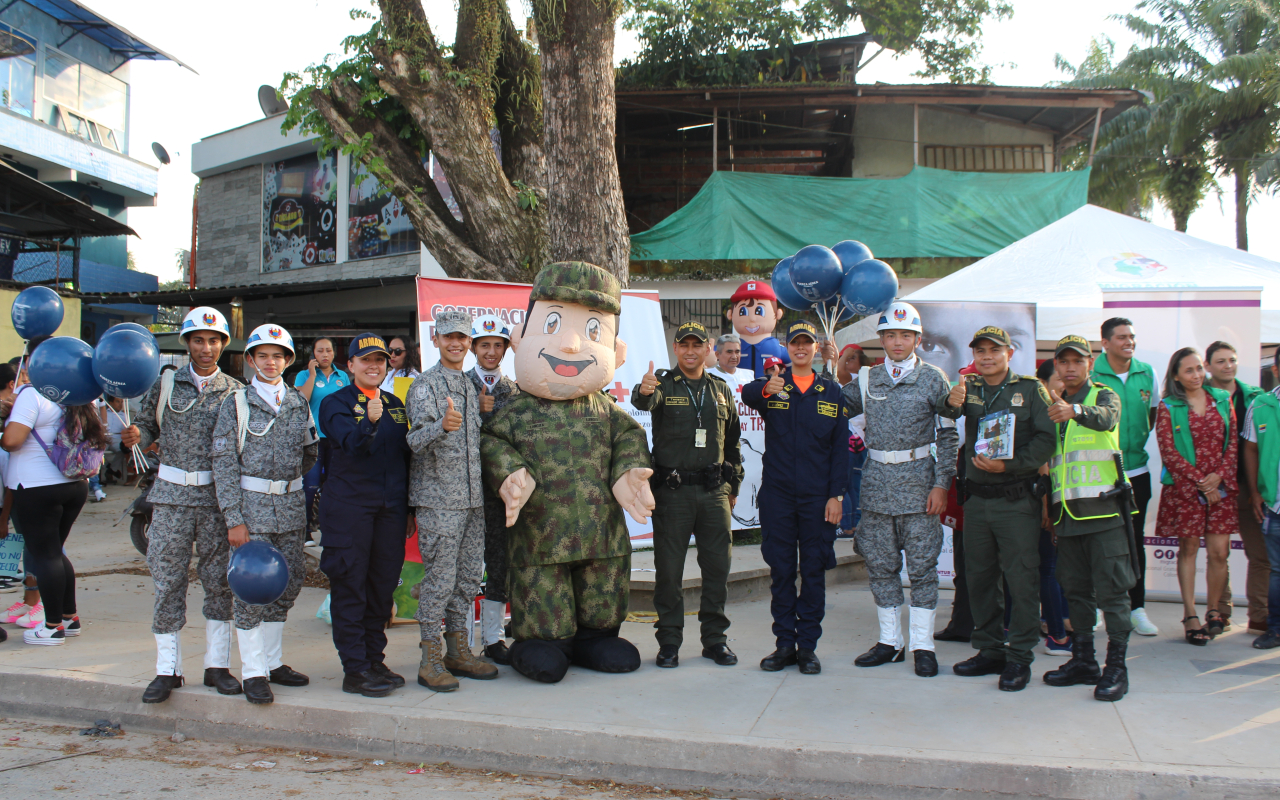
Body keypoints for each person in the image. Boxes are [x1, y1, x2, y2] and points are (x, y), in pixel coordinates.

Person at [480, 261, 654, 685]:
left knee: (603, 586)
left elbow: (630, 438)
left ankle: (596, 636)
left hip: (601, 532)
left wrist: (629, 470)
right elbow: (492, 441)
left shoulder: (607, 411)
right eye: (553, 324)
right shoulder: (515, 411)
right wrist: (508, 473)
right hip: (541, 532)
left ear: (618, 352)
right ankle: (543, 641)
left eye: (594, 331)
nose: (573, 344)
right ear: (520, 340)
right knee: (543, 591)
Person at [121, 307, 243, 703]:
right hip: (171, 498)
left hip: (214, 501)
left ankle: (217, 666)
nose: (206, 348)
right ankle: (167, 670)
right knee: (167, 580)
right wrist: (135, 437)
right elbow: (146, 431)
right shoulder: (167, 384)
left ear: (223, 345)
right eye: (198, 340)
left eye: (213, 341)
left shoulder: (236, 391)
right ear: (187, 344)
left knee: (219, 583)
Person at [842, 303, 958, 678]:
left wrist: (942, 483)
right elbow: (828, 408)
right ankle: (891, 642)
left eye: (905, 335)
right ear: (881, 340)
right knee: (880, 566)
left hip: (920, 487)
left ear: (917, 340)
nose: (897, 342)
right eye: (890, 335)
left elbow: (949, 434)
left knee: (923, 571)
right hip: (876, 487)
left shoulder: (934, 379)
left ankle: (923, 646)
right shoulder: (866, 380)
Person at [939, 326, 1055, 692]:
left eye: (994, 350)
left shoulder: (1030, 389)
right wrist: (951, 401)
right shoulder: (969, 388)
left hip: (1015, 499)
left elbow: (1047, 438)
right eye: (981, 351)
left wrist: (1011, 465)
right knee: (980, 578)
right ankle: (989, 649)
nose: (987, 357)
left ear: (1009, 353)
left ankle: (1020, 657)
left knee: (1021, 579)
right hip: (977, 501)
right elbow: (946, 411)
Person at [210, 324, 318, 704]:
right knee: (252, 589)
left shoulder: (297, 403)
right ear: (251, 361)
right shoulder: (235, 404)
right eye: (263, 356)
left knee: (287, 586)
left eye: (278, 356)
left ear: (288, 361)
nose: (270, 362)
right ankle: (253, 671)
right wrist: (233, 519)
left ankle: (273, 663)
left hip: (289, 509)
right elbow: (223, 464)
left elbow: (310, 453)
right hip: (250, 511)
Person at [633, 321, 743, 669]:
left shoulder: (721, 390)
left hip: (713, 494)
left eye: (698, 345)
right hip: (673, 494)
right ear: (676, 349)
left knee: (717, 570)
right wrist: (644, 389)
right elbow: (644, 401)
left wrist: (733, 486)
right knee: (669, 572)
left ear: (708, 348)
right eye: (685, 345)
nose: (691, 351)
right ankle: (669, 642)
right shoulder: (664, 385)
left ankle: (715, 640)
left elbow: (733, 443)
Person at [743, 321, 849, 675]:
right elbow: (748, 394)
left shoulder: (831, 392)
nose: (801, 348)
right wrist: (768, 388)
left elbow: (840, 451)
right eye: (795, 343)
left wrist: (837, 496)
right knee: (782, 571)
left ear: (816, 349)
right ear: (787, 347)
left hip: (818, 498)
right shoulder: (774, 385)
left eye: (807, 343)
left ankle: (808, 647)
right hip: (779, 496)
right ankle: (784, 644)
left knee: (814, 571)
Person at [1040, 335, 1135, 701]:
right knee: (1076, 591)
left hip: (1105, 512)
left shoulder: (1103, 395)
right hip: (1068, 516)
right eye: (1063, 362)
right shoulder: (1051, 404)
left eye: (1077, 361)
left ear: (1090, 364)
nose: (1070, 367)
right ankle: (1084, 660)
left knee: (1113, 592)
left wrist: (1074, 412)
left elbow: (1107, 419)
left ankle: (1116, 667)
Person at [405, 310, 496, 692]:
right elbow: (413, 441)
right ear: (437, 341)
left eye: (462, 337)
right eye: (448, 338)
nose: (455, 344)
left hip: (473, 502)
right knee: (439, 582)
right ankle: (430, 659)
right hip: (440, 501)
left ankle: (459, 651)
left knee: (467, 579)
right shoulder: (424, 386)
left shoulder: (472, 386)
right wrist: (441, 428)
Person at [318, 333, 412, 697]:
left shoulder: (394, 403)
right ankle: (355, 668)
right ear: (351, 365)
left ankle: (374, 659)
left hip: (389, 509)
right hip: (349, 510)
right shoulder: (335, 403)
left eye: (380, 360)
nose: (374, 366)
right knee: (351, 585)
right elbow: (351, 444)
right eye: (366, 360)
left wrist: (408, 509)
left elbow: (404, 459)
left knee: (381, 586)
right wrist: (368, 422)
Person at [0, 337, 104, 646]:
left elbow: (12, 442)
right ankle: (70, 619)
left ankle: (52, 626)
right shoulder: (83, 394)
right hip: (75, 485)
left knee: (44, 556)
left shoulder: (33, 394)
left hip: (36, 487)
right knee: (55, 553)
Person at [1155, 347, 1237, 646]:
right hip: (1186, 489)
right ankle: (1190, 614)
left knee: (1218, 552)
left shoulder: (1223, 400)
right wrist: (1202, 482)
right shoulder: (1168, 406)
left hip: (1221, 488)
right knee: (1188, 549)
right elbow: (1169, 452)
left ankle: (1214, 611)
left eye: (1199, 369)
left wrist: (1219, 477)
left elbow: (1232, 446)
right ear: (1176, 375)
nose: (1197, 375)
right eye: (1188, 370)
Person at [1090, 318, 1160, 637]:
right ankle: (1095, 606)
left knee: (1134, 544)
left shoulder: (1148, 373)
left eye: (1131, 336)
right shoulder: (1092, 375)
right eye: (1121, 337)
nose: (1128, 341)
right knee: (1097, 542)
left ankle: (1136, 608)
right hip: (1099, 474)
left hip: (1137, 473)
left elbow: (1152, 415)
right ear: (1105, 343)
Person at [465, 314, 521, 665]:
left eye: (497, 345)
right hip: (464, 491)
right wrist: (477, 411)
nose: (491, 351)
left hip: (501, 493)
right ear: (472, 348)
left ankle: (493, 639)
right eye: (484, 345)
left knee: (499, 565)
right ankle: (457, 638)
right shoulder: (458, 385)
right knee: (466, 567)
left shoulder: (514, 390)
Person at [1206, 340, 1267, 634]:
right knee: (1218, 554)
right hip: (1214, 490)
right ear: (1208, 366)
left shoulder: (1255, 398)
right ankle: (1220, 612)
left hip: (1248, 489)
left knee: (1260, 555)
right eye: (1220, 361)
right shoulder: (1198, 396)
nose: (1227, 365)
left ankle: (1259, 615)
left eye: (1231, 360)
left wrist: (1255, 488)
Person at [1242, 350, 1280, 650]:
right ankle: (1276, 629)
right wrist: (1255, 492)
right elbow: (1251, 449)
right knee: (1276, 570)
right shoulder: (1261, 405)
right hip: (1275, 504)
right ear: (1276, 370)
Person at [294, 337, 348, 545]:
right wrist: (312, 374)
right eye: (320, 351)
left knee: (334, 486)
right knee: (311, 486)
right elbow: (302, 400)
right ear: (313, 354)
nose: (324, 355)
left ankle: (330, 529)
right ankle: (307, 529)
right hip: (313, 439)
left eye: (328, 350)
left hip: (336, 439)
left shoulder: (342, 376)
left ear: (334, 353)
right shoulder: (303, 375)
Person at [1034, 358, 1071, 657]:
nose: (1067, 380)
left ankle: (1057, 624)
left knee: (1057, 568)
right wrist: (1048, 507)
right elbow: (1043, 463)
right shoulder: (1044, 412)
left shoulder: (1070, 412)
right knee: (1049, 568)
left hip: (1069, 503)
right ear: (1045, 383)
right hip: (1046, 502)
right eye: (1060, 376)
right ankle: (1057, 634)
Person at [836, 345, 870, 538]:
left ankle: (848, 525)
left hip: (850, 439)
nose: (847, 361)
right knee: (854, 484)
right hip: (859, 439)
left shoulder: (856, 380)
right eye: (846, 358)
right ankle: (855, 523)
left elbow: (839, 371)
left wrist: (845, 349)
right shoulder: (864, 380)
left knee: (846, 484)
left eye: (851, 358)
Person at [726, 281, 789, 378]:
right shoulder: (730, 347)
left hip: (769, 391)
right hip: (738, 391)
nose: (752, 318)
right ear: (730, 315)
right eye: (743, 311)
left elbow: (793, 368)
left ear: (778, 314)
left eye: (759, 311)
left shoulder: (778, 348)